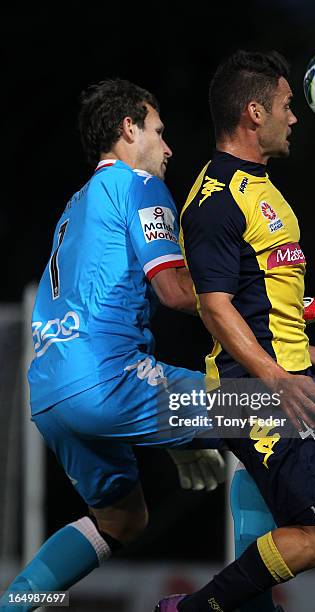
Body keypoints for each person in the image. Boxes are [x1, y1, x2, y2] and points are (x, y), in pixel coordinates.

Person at [156, 49, 315, 611]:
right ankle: (194, 609)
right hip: (253, 395)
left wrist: (296, 343)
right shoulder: (216, 199)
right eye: (287, 106)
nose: (295, 117)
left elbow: (258, 292)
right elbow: (216, 305)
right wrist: (273, 373)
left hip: (291, 375)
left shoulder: (262, 186)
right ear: (253, 112)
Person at [0, 79, 227, 612]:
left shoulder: (74, 206)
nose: (168, 148)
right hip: (108, 381)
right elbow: (173, 291)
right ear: (129, 129)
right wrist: (265, 308)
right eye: (158, 131)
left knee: (122, 520)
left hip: (50, 394)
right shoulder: (138, 184)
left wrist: (174, 430)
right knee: (272, 409)